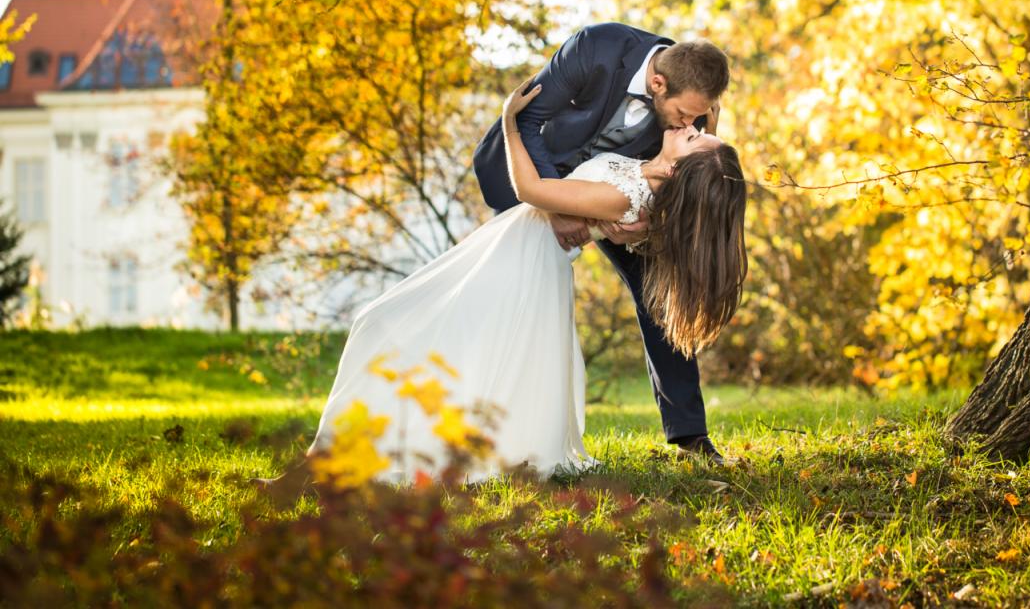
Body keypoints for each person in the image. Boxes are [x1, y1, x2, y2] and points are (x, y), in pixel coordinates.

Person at [296, 69, 747, 484]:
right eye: (696, 127)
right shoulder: (653, 179)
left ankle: (346, 460)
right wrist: (711, 137)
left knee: (383, 324)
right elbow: (697, 179)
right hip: (510, 250)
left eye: (694, 137)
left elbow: (531, 191)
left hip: (518, 262)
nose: (693, 127)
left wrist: (510, 124)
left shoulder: (626, 196)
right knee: (429, 339)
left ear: (675, 168)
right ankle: (346, 456)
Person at [472, 22, 735, 464]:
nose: (693, 124)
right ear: (657, 82)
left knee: (658, 294)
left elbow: (690, 188)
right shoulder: (594, 49)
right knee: (509, 298)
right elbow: (529, 120)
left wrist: (645, 223)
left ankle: (690, 434)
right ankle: (487, 419)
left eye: (699, 117)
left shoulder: (697, 107)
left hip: (621, 198)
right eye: (685, 115)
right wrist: (560, 210)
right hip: (537, 180)